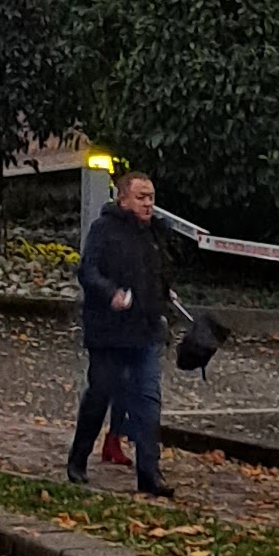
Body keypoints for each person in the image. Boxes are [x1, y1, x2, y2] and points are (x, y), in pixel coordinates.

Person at [69, 168, 177, 497]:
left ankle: (150, 474)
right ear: (123, 199)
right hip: (109, 333)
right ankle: (78, 458)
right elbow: (88, 271)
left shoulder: (154, 233)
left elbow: (159, 272)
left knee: (148, 402)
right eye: (141, 197)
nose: (148, 204)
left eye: (151, 197)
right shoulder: (104, 229)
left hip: (145, 331)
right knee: (100, 394)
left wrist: (165, 294)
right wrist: (110, 293)